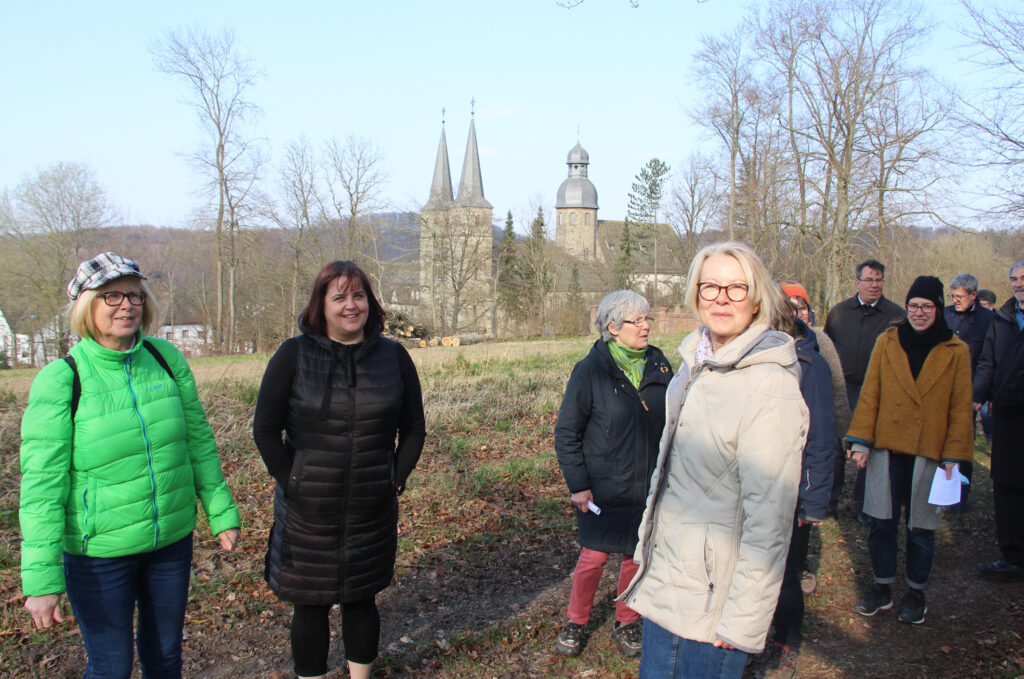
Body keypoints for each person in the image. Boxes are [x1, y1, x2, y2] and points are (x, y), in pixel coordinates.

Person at [19, 252, 241, 678]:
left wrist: (220, 510)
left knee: (164, 661)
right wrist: (42, 580)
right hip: (99, 555)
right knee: (110, 669)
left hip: (170, 545)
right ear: (87, 306)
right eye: (112, 296)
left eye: (135, 296)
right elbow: (42, 488)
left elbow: (197, 440)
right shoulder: (63, 379)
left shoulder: (164, 360)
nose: (127, 305)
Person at [621, 242, 809, 679]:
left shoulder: (768, 385)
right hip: (668, 583)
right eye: (710, 287)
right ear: (695, 294)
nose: (721, 298)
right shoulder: (693, 365)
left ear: (758, 297)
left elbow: (770, 518)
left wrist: (744, 620)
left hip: (715, 603)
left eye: (736, 287)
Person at [253, 260, 426, 679]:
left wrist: (393, 479)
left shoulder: (393, 356)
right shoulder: (293, 355)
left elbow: (415, 428)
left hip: (371, 507)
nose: (351, 306)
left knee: (361, 600)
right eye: (340, 297)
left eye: (359, 296)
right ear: (322, 305)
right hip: (307, 512)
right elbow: (265, 430)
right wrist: (292, 482)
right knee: (309, 604)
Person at [846, 276, 973, 624]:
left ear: (938, 309)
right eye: (913, 306)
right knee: (881, 522)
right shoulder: (888, 342)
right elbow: (871, 392)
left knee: (921, 528)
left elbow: (961, 408)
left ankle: (916, 592)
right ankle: (882, 587)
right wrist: (860, 441)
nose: (918, 313)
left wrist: (952, 457)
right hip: (887, 448)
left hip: (929, 451)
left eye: (926, 307)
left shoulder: (955, 350)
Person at [553, 290, 673, 658]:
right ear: (613, 327)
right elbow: (567, 433)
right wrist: (579, 486)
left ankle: (627, 620)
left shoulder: (660, 365)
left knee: (635, 557)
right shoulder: (590, 370)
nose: (647, 326)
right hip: (602, 487)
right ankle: (576, 621)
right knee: (593, 557)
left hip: (648, 485)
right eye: (638, 321)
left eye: (647, 318)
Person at [749, 286, 837, 679]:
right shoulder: (752, 359)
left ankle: (786, 642)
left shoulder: (809, 364)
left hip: (792, 487)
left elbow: (821, 436)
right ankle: (755, 636)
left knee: (785, 572)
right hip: (755, 484)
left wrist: (814, 500)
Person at [781, 282, 850, 598]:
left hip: (809, 443)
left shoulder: (819, 343)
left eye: (801, 304)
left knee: (800, 522)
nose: (797, 310)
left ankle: (798, 567)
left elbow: (835, 391)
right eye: (789, 304)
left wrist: (845, 433)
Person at [823, 259, 905, 521]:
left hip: (877, 390)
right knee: (836, 446)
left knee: (869, 448)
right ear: (857, 282)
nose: (874, 285)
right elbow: (826, 348)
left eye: (879, 280)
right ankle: (828, 501)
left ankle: (863, 504)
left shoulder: (896, 316)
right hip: (842, 387)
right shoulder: (839, 313)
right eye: (869, 280)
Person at [973, 260, 1024, 581]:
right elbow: (987, 362)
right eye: (1014, 279)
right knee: (1006, 485)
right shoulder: (1002, 319)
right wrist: (976, 397)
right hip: (1006, 416)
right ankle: (1013, 556)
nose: (1019, 284)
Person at [943, 273, 995, 510]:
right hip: (942, 388)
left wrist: (980, 395)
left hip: (970, 390)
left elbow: (990, 360)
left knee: (963, 442)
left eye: (960, 297)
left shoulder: (989, 320)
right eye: (953, 296)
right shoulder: (944, 314)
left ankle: (960, 497)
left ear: (974, 295)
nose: (955, 300)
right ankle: (939, 489)